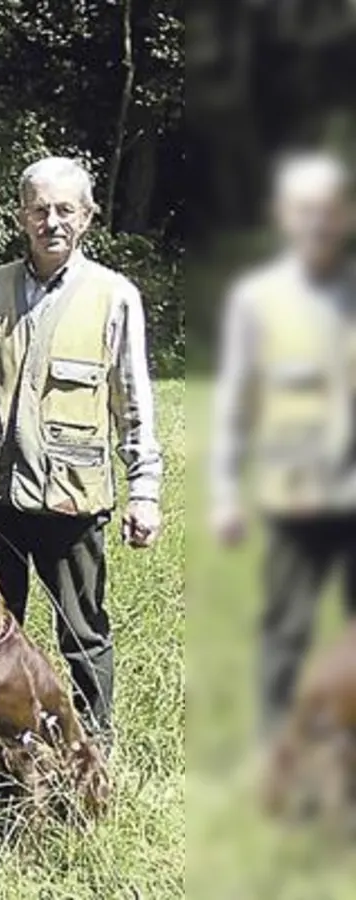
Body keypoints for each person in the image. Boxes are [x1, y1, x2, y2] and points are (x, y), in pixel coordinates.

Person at [0, 156, 164, 738]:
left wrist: (145, 491)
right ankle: (1, 739)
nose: (51, 222)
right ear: (20, 216)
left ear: (87, 216)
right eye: (39, 209)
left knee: (83, 631)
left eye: (64, 210)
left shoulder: (114, 295)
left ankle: (93, 745)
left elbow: (133, 400)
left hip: (72, 499)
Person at [210, 151, 356, 741]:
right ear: (283, 217)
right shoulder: (258, 299)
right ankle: (278, 749)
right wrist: (225, 494)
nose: (316, 222)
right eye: (303, 211)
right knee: (285, 631)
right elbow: (235, 402)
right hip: (292, 498)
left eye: (327, 210)